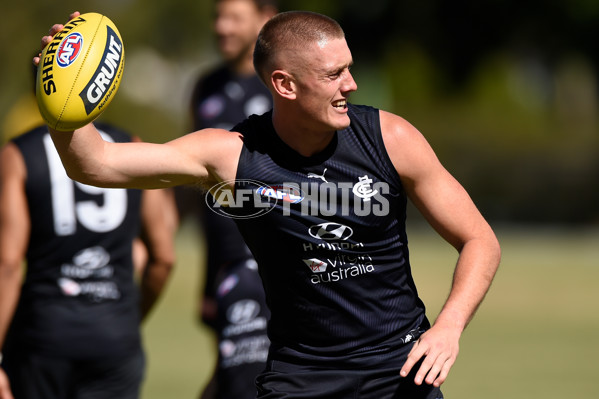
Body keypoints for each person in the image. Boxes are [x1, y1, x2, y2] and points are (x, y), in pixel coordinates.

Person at [35, 10, 501, 399]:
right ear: (285, 84)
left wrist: (447, 327)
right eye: (334, 74)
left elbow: (479, 239)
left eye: (349, 68)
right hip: (301, 377)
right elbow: (96, 165)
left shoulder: (391, 138)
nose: (352, 85)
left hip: (399, 369)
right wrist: (60, 99)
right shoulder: (232, 154)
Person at [0, 119, 177, 399]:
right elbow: (164, 258)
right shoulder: (132, 144)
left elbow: (7, 264)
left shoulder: (19, 153)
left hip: (42, 336)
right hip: (114, 337)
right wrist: (127, 318)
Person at [180, 1, 277, 398]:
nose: (221, 27)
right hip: (226, 270)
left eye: (234, 17)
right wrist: (207, 281)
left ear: (265, 16)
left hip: (277, 269)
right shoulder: (205, 87)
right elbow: (195, 187)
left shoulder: (284, 84)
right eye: (217, 17)